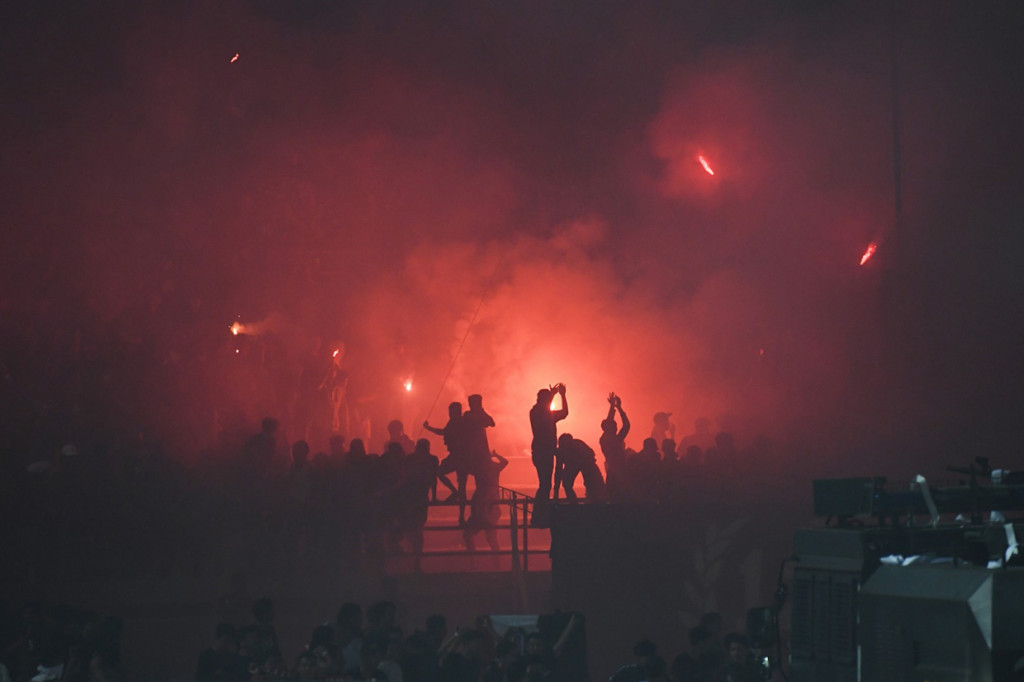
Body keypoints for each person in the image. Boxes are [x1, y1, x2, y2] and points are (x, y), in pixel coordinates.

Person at [424, 402, 469, 525]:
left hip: (459, 456)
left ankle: (460, 508)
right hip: (459, 456)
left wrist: (429, 428)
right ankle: (461, 513)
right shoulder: (457, 422)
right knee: (461, 486)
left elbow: (443, 432)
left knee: (444, 474)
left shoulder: (457, 422)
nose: (449, 414)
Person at [529, 383, 568, 503]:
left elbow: (545, 407)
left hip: (540, 452)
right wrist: (562, 396)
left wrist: (552, 395)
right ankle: (540, 511)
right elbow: (564, 412)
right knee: (545, 484)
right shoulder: (544, 414)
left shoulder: (535, 412)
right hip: (544, 452)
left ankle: (540, 511)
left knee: (545, 484)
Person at [555, 434, 605, 502]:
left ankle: (597, 498)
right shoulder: (560, 451)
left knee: (593, 481)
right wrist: (556, 490)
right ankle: (573, 502)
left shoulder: (578, 444)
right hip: (572, 465)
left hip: (585, 463)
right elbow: (558, 470)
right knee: (566, 482)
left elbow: (591, 454)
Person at [599, 393, 630, 501]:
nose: (617, 428)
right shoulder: (613, 440)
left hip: (614, 472)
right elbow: (626, 425)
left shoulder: (605, 439)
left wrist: (613, 407)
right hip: (618, 474)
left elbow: (609, 423)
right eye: (615, 426)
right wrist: (618, 408)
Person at [462, 394, 496, 481]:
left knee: (481, 477)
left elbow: (492, 423)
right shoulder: (468, 415)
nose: (469, 405)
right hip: (473, 450)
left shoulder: (477, 415)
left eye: (471, 403)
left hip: (480, 451)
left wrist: (481, 412)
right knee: (479, 476)